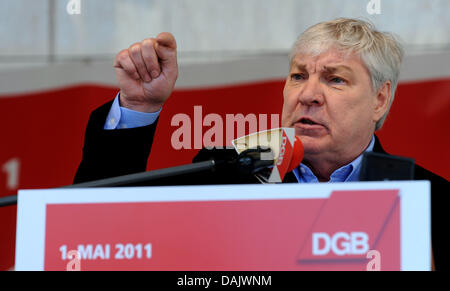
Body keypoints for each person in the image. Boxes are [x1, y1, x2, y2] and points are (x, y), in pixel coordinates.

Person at [74, 18, 448, 269]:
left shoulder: (430, 201)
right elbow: (101, 230)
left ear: (380, 100)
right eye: (298, 76)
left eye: (335, 80)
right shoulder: (228, 173)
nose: (308, 95)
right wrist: (139, 106)